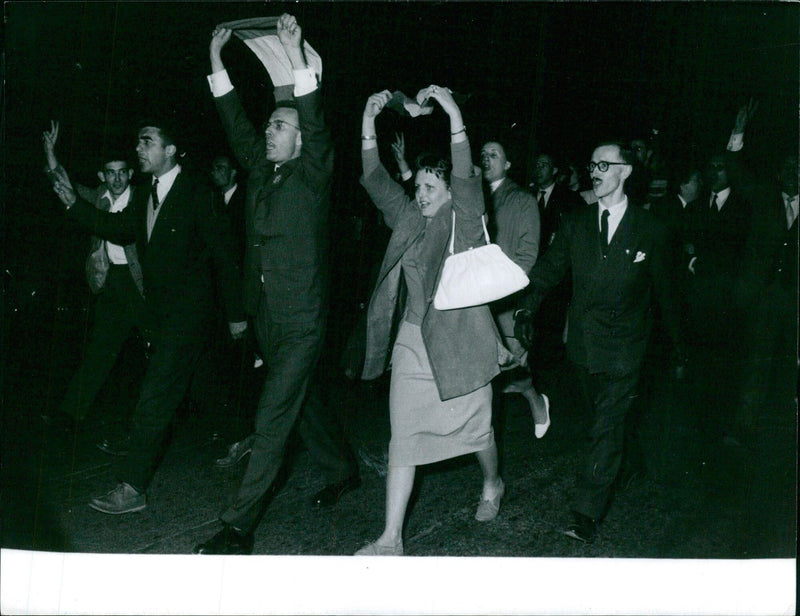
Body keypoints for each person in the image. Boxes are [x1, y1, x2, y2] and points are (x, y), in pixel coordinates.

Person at [195, 14, 360, 555]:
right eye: (270, 125)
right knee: (302, 399)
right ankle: (342, 470)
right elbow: (234, 121)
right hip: (265, 311)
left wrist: (296, 59)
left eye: (279, 126)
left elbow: (313, 122)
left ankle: (237, 526)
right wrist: (218, 61)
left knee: (272, 415)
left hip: (303, 319)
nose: (269, 130)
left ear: (300, 140)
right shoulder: (261, 170)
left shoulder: (315, 173)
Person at [50, 119, 247, 515]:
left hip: (191, 314)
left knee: (153, 397)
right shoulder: (144, 195)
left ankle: (132, 486)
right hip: (164, 315)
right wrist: (74, 202)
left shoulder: (197, 191)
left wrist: (237, 314)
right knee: (198, 380)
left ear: (170, 150)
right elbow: (116, 227)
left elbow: (225, 255)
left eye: (148, 141)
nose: (139, 148)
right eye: (138, 140)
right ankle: (242, 435)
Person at [356, 86, 506, 556]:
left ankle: (493, 480)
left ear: (446, 192)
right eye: (417, 187)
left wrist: (453, 112)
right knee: (403, 434)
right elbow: (375, 179)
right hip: (411, 341)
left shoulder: (463, 217)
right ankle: (390, 539)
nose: (418, 195)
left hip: (461, 344)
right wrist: (367, 119)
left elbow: (464, 176)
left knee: (477, 430)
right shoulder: (407, 217)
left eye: (428, 188)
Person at [514, 141, 684, 543]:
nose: (595, 171)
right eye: (592, 165)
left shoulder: (651, 228)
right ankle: (630, 460)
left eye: (604, 165)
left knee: (605, 427)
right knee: (604, 419)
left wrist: (681, 349)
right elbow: (547, 272)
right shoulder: (575, 223)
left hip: (628, 345)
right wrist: (525, 310)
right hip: (585, 347)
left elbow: (667, 294)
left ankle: (584, 513)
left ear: (625, 171)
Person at [42, 122, 146, 429]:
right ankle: (70, 414)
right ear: (102, 175)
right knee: (100, 349)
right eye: (110, 172)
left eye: (122, 172)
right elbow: (63, 184)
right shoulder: (98, 195)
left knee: (162, 346)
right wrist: (50, 152)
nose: (116, 178)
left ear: (130, 174)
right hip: (110, 281)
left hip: (140, 283)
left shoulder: (143, 198)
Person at [480, 140, 550, 436]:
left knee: (510, 370)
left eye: (494, 154)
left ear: (508, 165)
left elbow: (528, 256)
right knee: (485, 375)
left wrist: (501, 289)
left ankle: (535, 399)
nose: (486, 158)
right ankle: (483, 438)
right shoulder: (471, 198)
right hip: (475, 300)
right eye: (482, 154)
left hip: (506, 302)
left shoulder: (522, 200)